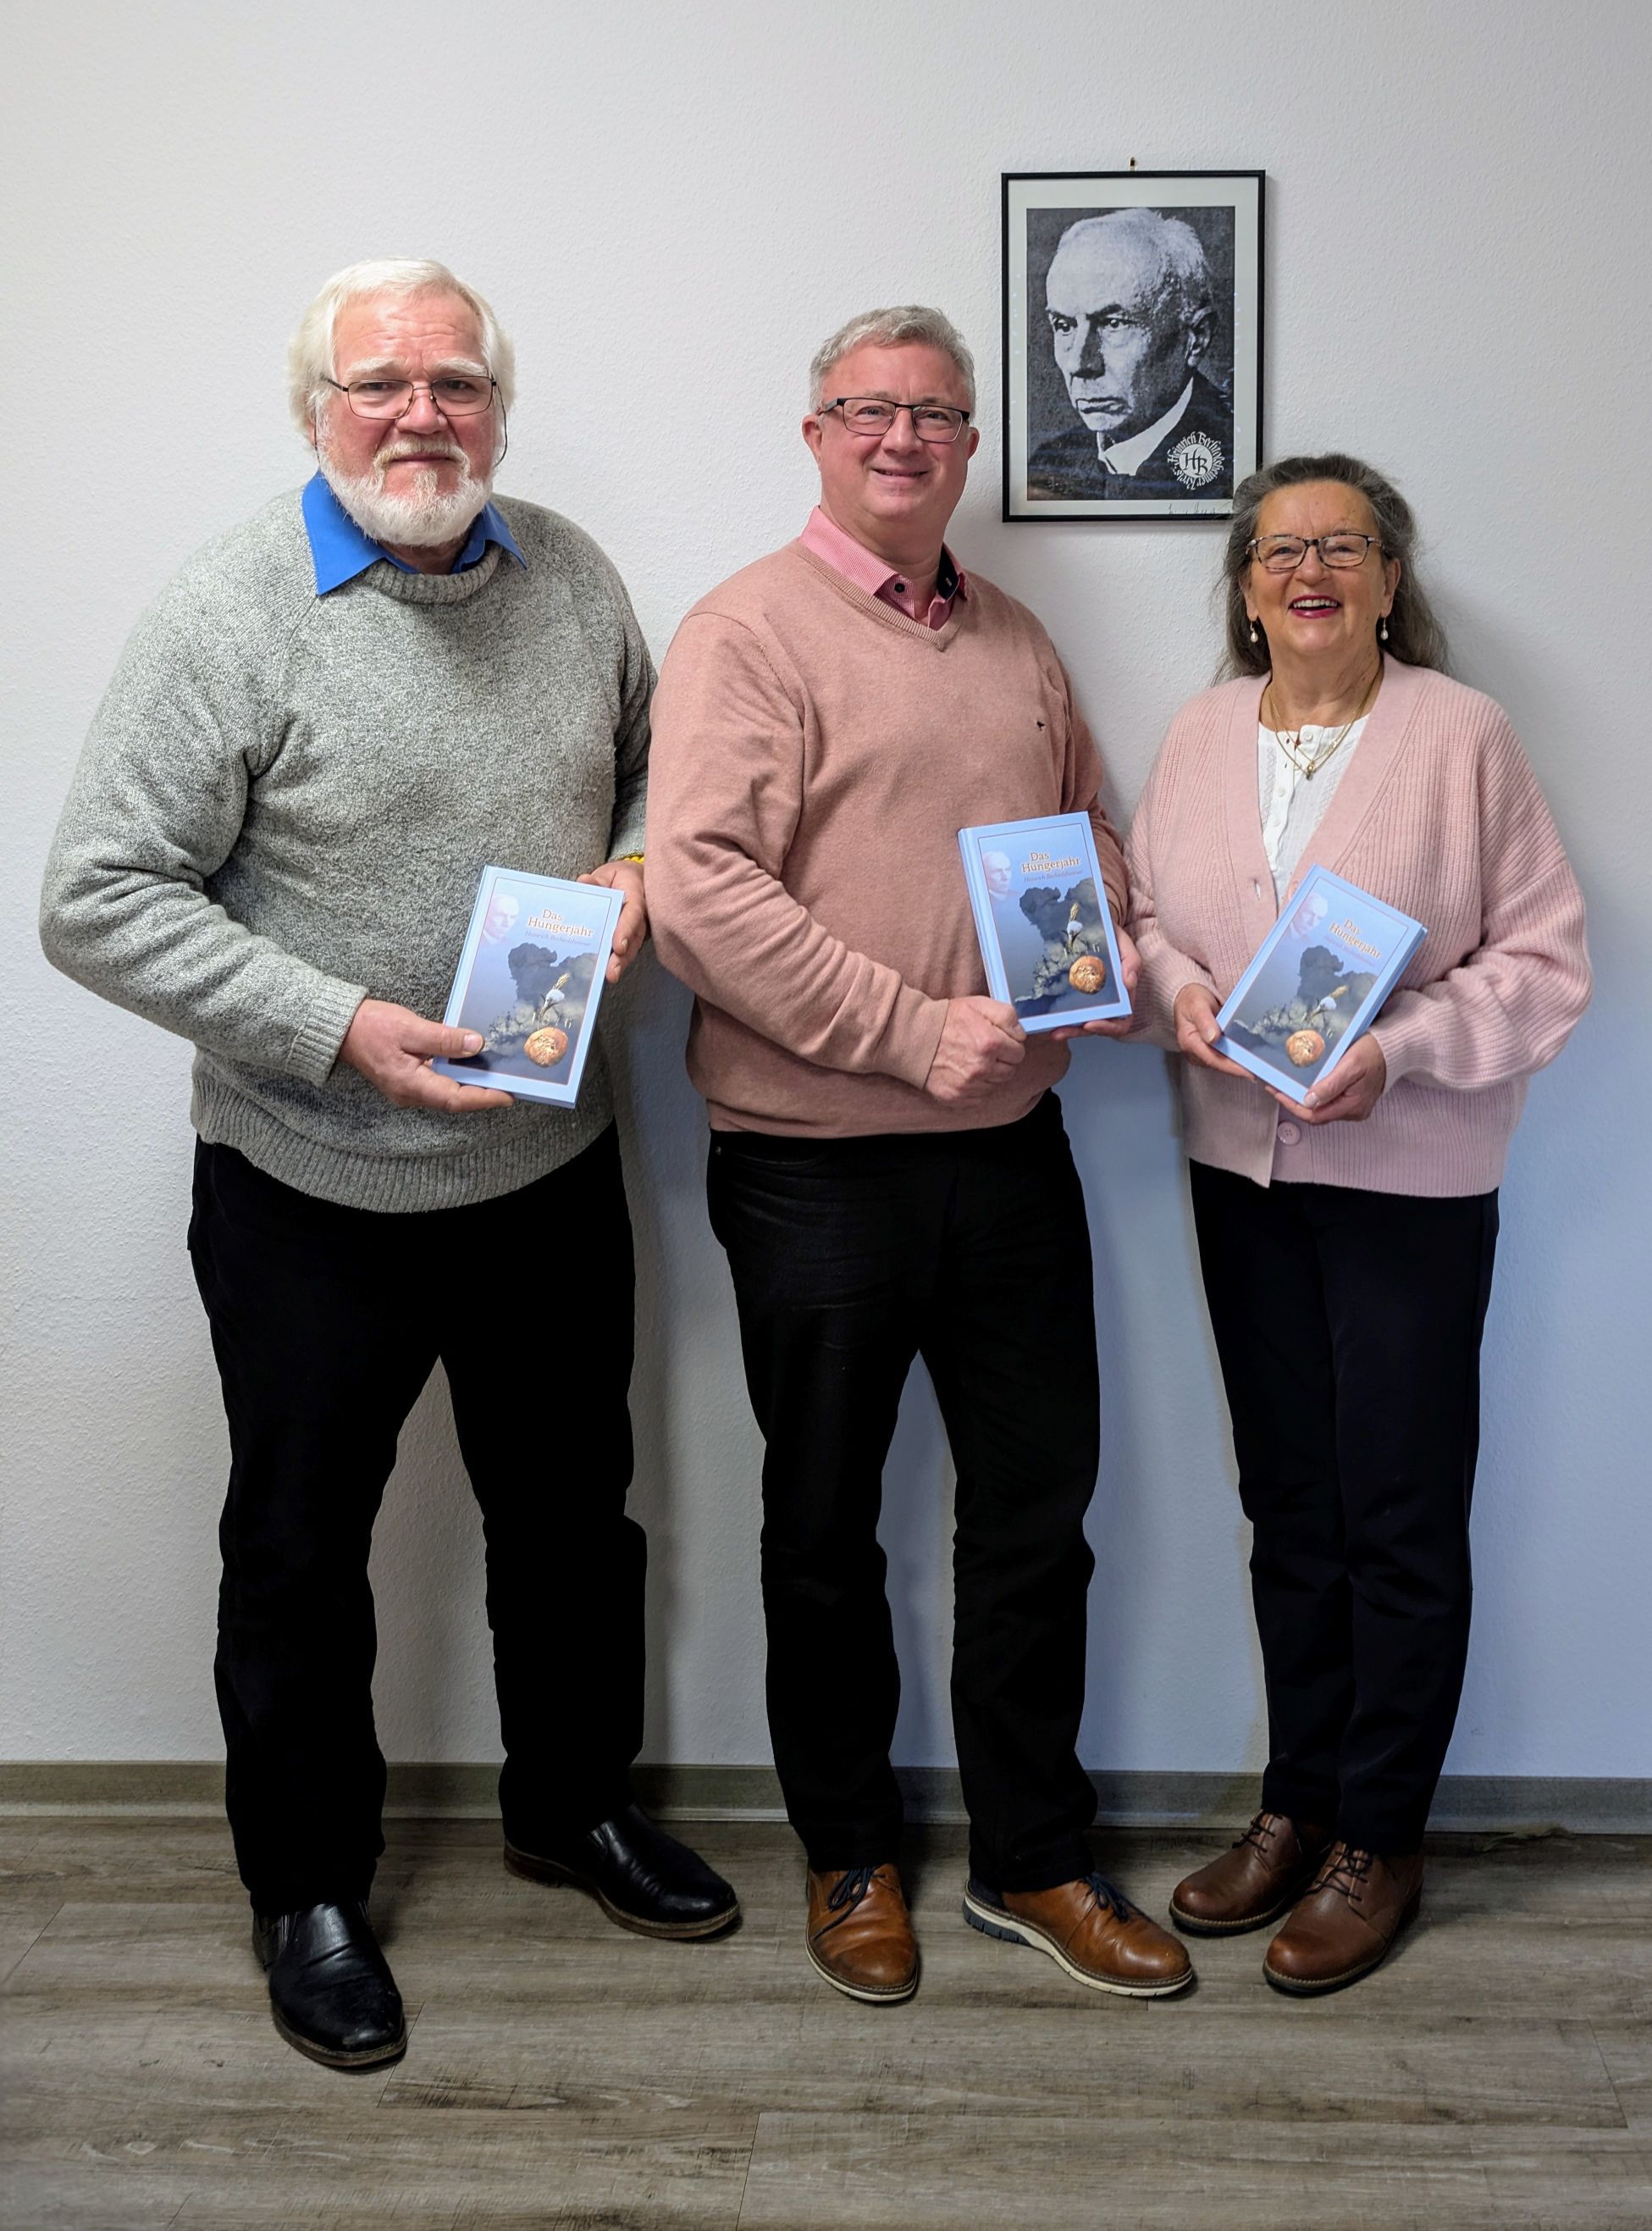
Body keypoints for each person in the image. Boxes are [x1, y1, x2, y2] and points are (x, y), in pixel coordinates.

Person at [39, 257, 736, 2071]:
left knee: (574, 1520)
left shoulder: (572, 574)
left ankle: (567, 1803)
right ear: (314, 413)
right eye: (380, 383)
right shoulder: (230, 611)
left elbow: (675, 773)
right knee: (297, 1550)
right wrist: (336, 1022)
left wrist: (647, 869)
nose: (421, 413)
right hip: (306, 1187)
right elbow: (91, 896)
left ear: (497, 404)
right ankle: (308, 1889)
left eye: (455, 381)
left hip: (551, 1172)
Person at [644, 304, 1191, 2006]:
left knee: (1038, 1519)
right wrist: (906, 1026)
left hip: (1012, 1156)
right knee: (822, 1529)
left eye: (936, 414)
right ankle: (848, 1849)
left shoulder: (1018, 642)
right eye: (867, 409)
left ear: (970, 447)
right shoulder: (743, 633)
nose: (902, 437)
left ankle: (1035, 1858)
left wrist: (1098, 958)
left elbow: (1085, 837)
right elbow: (703, 892)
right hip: (815, 1166)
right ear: (814, 434)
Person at [1126, 452, 1589, 1995]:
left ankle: (1378, 1834)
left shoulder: (1461, 737)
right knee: (1291, 1508)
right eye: (1277, 551)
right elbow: (1142, 924)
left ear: (1392, 578)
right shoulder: (1198, 734)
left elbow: (1544, 961)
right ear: (1245, 589)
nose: (1308, 571)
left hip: (1409, 1183)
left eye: (1343, 546)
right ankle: (1296, 1802)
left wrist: (1395, 1051)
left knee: (1397, 1513)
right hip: (1238, 1179)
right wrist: (1181, 994)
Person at [1028, 210, 1234, 502]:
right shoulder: (1050, 464)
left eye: (1114, 324)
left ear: (1195, 338)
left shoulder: (1236, 458)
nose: (1079, 363)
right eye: (1064, 326)